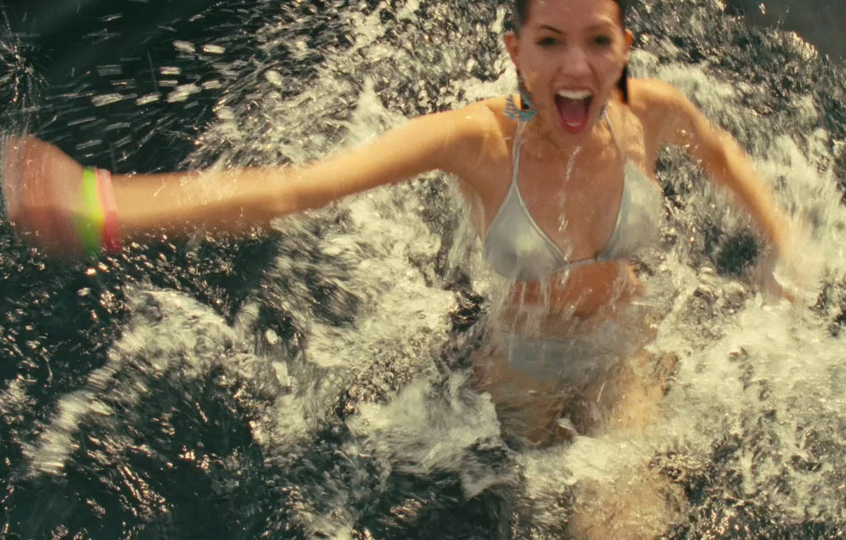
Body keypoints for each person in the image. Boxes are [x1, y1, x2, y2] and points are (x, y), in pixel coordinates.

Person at [2, 0, 791, 536]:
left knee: (630, 521)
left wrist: (784, 243)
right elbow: (296, 189)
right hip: (527, 365)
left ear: (625, 47)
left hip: (624, 344)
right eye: (550, 41)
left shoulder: (652, 111)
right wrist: (107, 206)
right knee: (540, 512)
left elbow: (721, 152)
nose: (577, 66)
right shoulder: (476, 142)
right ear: (515, 51)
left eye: (599, 40)